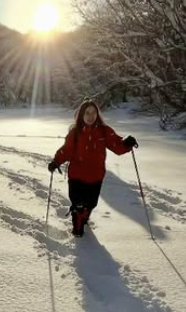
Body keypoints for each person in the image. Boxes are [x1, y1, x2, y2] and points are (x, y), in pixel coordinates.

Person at [48, 100, 138, 237]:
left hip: (95, 176)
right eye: (87, 113)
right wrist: (56, 161)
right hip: (76, 176)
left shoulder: (104, 131)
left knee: (91, 204)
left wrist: (127, 143)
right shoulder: (75, 133)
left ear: (97, 114)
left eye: (93, 113)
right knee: (77, 203)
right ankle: (77, 226)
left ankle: (84, 217)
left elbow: (117, 145)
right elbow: (66, 150)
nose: (90, 116)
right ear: (81, 115)